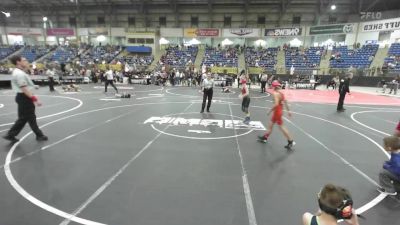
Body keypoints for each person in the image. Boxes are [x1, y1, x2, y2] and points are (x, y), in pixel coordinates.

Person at [3, 55, 48, 143]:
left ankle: (11, 134)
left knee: (23, 118)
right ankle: (39, 135)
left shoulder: (18, 72)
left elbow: (24, 86)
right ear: (18, 62)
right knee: (30, 117)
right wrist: (35, 99)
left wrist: (33, 86)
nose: (27, 61)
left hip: (22, 97)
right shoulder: (19, 74)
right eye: (24, 60)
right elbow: (24, 89)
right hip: (24, 98)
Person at [258, 80, 295, 149]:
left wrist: (269, 111)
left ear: (273, 86)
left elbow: (276, 104)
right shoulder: (281, 93)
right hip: (279, 111)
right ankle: (265, 137)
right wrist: (289, 111)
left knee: (282, 127)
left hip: (277, 112)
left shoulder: (275, 93)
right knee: (271, 125)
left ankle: (290, 141)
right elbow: (286, 102)